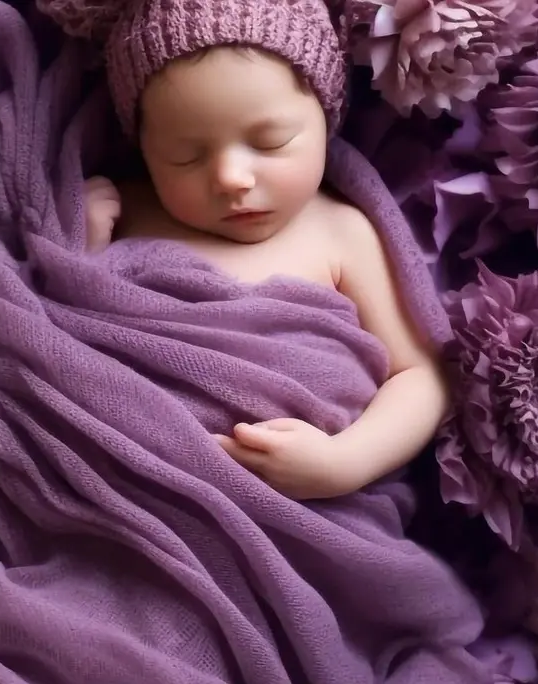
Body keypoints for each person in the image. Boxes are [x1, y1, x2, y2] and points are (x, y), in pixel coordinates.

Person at [42, 0, 450, 501]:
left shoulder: (340, 231)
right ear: (144, 151)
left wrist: (344, 461)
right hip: (125, 490)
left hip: (297, 508)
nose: (231, 178)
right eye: (185, 156)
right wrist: (77, 252)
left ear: (325, 123)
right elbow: (57, 336)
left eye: (271, 142)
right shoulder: (124, 210)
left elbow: (420, 377)